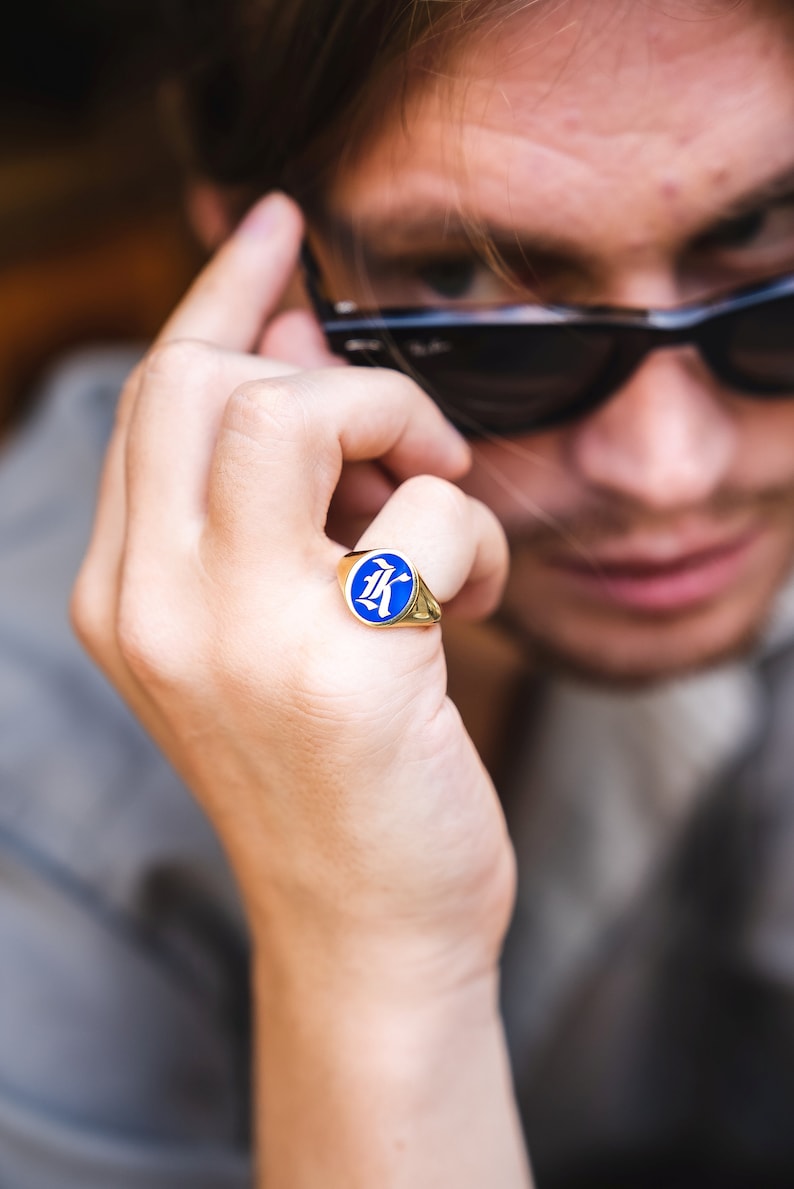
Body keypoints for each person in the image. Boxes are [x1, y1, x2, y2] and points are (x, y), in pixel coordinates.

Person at [6, 0, 794, 1184]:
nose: (667, 471)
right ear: (250, 256)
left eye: (770, 242)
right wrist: (368, 950)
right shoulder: (43, 807)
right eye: (468, 283)